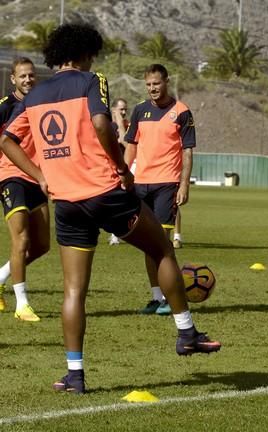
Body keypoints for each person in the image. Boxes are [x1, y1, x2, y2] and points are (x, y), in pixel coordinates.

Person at [0, 23, 221, 394]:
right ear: (85, 53)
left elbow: (7, 140)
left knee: (73, 290)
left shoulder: (34, 95)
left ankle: (75, 374)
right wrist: (121, 167)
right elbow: (102, 123)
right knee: (162, 249)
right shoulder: (90, 80)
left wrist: (41, 175)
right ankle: (186, 333)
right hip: (104, 192)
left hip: (67, 201)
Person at [123, 64, 194, 316]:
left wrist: (184, 184)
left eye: (157, 83)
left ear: (166, 82)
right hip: (141, 184)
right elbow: (131, 145)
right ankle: (156, 297)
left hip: (167, 183)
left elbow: (187, 151)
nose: (153, 88)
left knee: (163, 243)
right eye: (149, 84)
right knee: (147, 244)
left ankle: (168, 297)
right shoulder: (140, 111)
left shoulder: (182, 112)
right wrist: (123, 172)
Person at [0, 57, 49, 322]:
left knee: (42, 245)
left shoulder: (41, 103)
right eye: (22, 76)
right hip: (11, 177)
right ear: (13, 79)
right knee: (21, 240)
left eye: (31, 75)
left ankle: (1, 277)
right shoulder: (5, 107)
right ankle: (22, 305)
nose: (28, 80)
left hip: (37, 177)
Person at [108, 97, 129, 246]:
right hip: (110, 169)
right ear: (113, 110)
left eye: (125, 109)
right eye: (121, 109)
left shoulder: (128, 126)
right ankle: (115, 233)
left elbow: (126, 142)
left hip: (125, 169)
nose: (123, 112)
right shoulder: (107, 126)